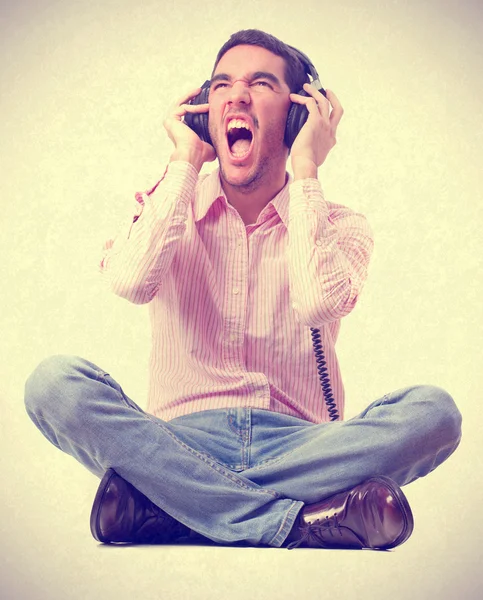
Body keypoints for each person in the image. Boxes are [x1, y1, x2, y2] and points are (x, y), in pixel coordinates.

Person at [24, 29, 462, 550]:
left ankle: (172, 509)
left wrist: (306, 169)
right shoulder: (169, 204)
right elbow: (130, 282)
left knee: (435, 414)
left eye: (260, 83)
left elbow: (318, 300)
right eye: (222, 84)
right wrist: (184, 160)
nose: (235, 95)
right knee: (53, 384)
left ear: (299, 115)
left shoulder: (341, 226)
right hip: (180, 440)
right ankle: (302, 523)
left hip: (302, 445)